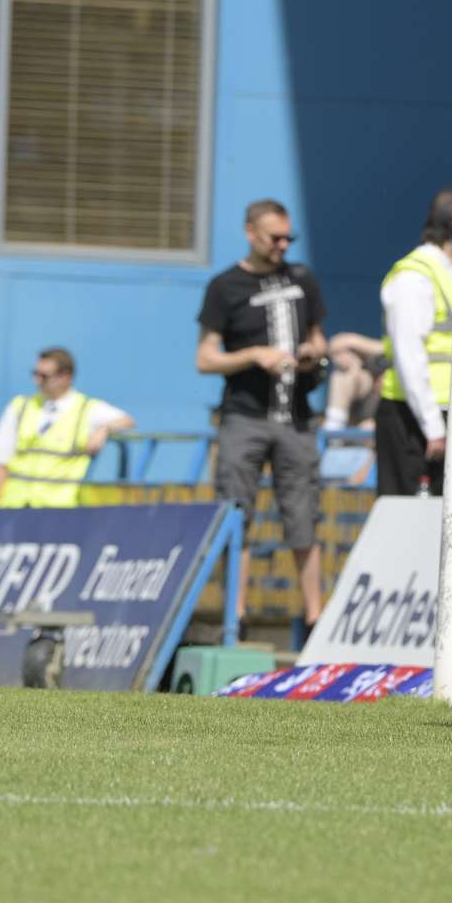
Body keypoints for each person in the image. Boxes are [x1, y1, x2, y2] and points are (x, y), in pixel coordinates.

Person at [196, 199, 327, 636]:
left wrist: (312, 352)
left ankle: (313, 619)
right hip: (244, 417)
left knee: (304, 516)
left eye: (289, 237)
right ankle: (237, 618)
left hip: (297, 417)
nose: (282, 245)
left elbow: (318, 338)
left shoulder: (302, 278)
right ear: (251, 233)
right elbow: (206, 358)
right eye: (274, 238)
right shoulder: (225, 286)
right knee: (237, 515)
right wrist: (254, 355)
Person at [376, 189, 452, 497]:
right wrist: (433, 429)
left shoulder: (451, 272)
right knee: (405, 518)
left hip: (446, 410)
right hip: (412, 418)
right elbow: (409, 356)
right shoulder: (414, 277)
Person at [0, 347, 135, 508]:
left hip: (59, 512)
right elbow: (0, 464)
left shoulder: (86, 409)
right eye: (35, 374)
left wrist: (104, 429)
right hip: (15, 508)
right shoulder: (20, 407)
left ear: (66, 377)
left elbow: (127, 421)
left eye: (44, 376)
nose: (37, 381)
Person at [322, 332, 386, 431]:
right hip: (370, 400)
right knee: (345, 373)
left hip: (398, 407)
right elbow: (336, 344)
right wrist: (351, 343)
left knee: (369, 428)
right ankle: (334, 432)